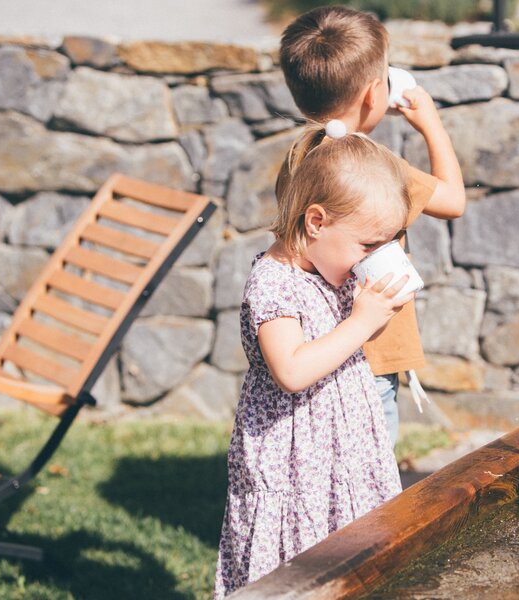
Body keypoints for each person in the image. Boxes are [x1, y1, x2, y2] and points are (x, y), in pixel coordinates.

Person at [213, 123, 413, 598]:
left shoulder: (330, 268)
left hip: (342, 456)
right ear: (316, 222)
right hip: (292, 462)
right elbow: (292, 370)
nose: (376, 255)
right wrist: (363, 322)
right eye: (369, 245)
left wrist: (378, 309)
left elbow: (339, 346)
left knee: (352, 559)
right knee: (296, 570)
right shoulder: (273, 283)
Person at [279, 5, 467, 447]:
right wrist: (430, 121)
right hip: (373, 355)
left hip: (318, 350)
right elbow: (454, 200)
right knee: (370, 483)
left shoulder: (299, 159)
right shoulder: (377, 172)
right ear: (372, 94)